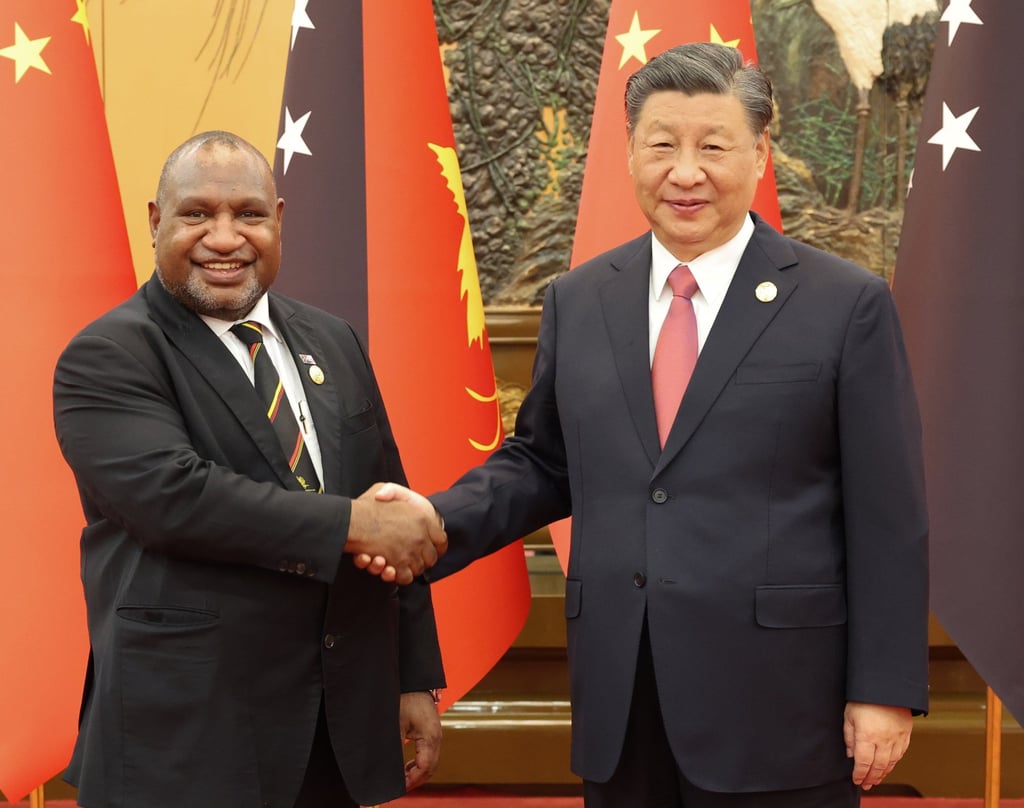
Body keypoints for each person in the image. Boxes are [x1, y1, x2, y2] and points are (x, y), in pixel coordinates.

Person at [369, 42, 929, 807]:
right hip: (623, 700)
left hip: (781, 709)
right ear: (629, 153)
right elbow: (543, 463)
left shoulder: (844, 304)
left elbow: (888, 515)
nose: (686, 172)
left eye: (713, 146)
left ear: (760, 155)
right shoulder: (581, 299)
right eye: (662, 145)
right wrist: (437, 518)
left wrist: (885, 689)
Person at [52, 130, 448, 808]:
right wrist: (354, 524)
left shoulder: (334, 339)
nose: (225, 237)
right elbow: (178, 501)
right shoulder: (109, 355)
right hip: (186, 738)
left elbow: (390, 501)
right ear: (157, 221)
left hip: (334, 727)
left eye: (249, 214)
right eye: (197, 214)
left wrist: (413, 676)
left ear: (279, 220)